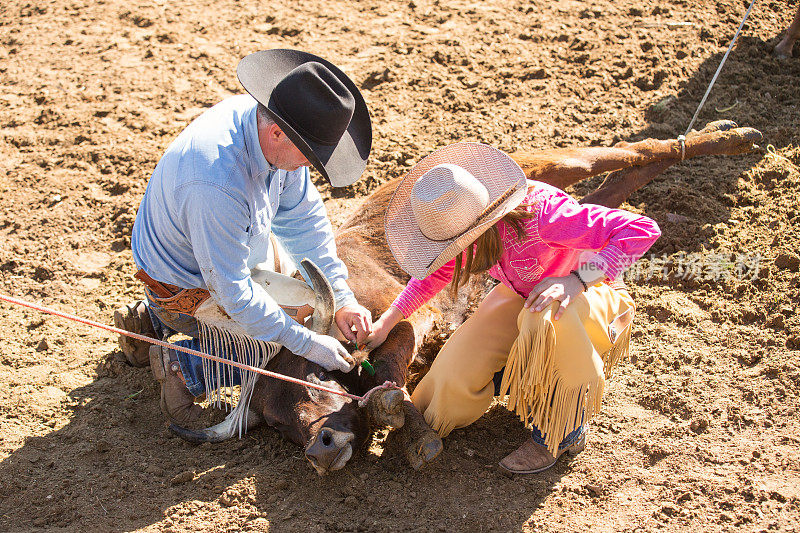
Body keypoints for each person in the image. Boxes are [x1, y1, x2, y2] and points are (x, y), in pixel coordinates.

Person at [113, 49, 374, 426]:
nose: (309, 166)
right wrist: (305, 341)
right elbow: (232, 290)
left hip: (225, 250)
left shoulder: (270, 129)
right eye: (310, 156)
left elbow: (302, 218)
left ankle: (153, 323)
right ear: (277, 132)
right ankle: (185, 367)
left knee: (321, 302)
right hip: (189, 283)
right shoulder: (216, 181)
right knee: (291, 331)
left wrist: (342, 295)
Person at [365, 143, 661, 474]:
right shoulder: (461, 222)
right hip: (523, 293)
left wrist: (578, 279)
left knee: (544, 315)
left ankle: (565, 427)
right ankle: (506, 376)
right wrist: (387, 322)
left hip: (590, 294)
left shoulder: (544, 216)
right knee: (445, 384)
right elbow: (435, 276)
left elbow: (642, 230)